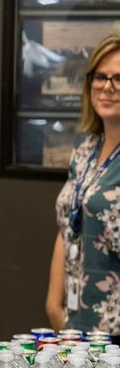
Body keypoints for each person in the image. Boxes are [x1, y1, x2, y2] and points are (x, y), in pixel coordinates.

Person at [46, 34, 120, 336]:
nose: (107, 87)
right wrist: (53, 305)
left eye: (118, 78)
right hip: (76, 329)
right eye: (100, 77)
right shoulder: (85, 150)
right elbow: (68, 225)